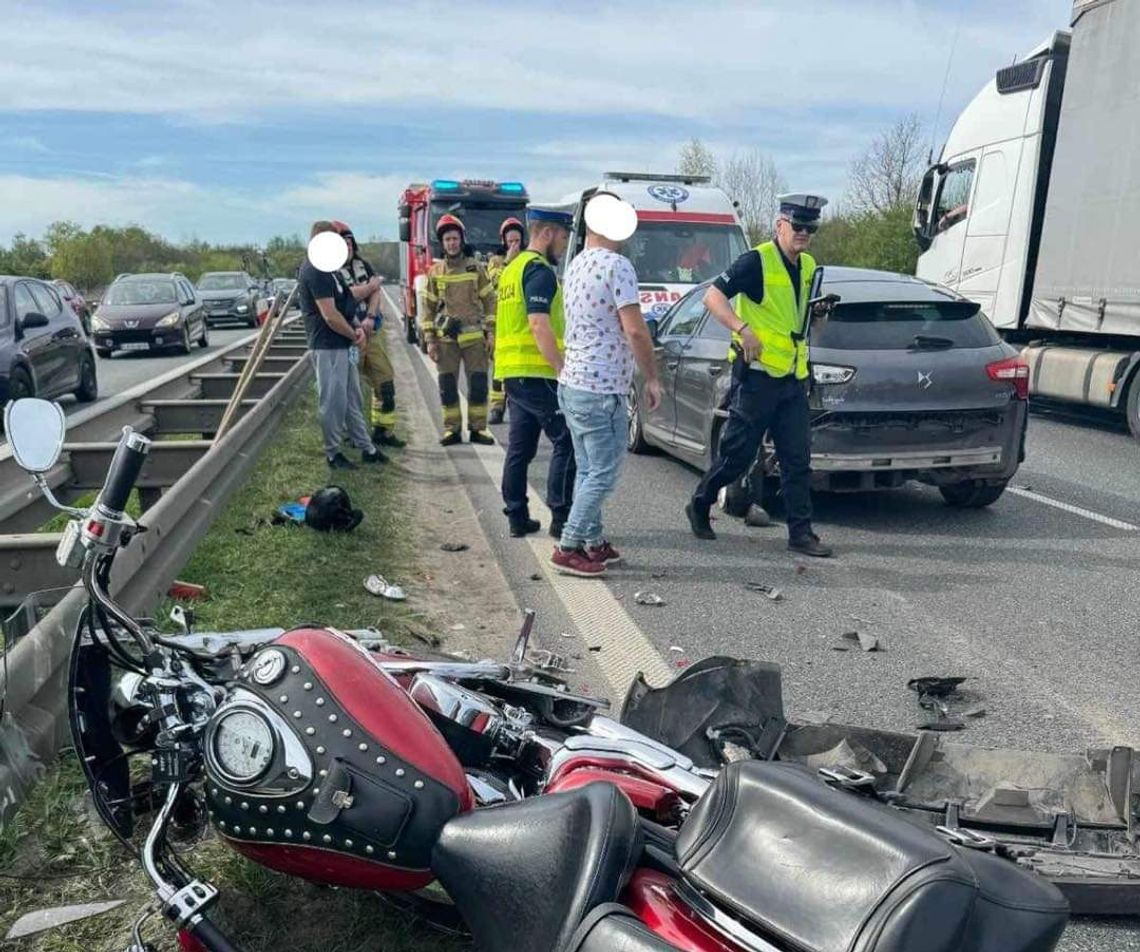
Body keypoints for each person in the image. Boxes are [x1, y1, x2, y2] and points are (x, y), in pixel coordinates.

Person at [686, 193, 833, 558]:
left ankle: (801, 533)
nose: (803, 233)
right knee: (737, 457)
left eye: (809, 228)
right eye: (797, 226)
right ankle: (700, 502)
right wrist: (742, 327)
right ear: (779, 224)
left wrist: (819, 316)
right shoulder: (756, 261)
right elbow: (713, 297)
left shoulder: (810, 265)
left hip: (793, 378)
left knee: (797, 459)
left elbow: (799, 320)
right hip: (757, 378)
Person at [552, 194, 662, 577]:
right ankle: (569, 546)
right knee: (603, 473)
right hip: (601, 388)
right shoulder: (619, 267)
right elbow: (634, 329)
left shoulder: (576, 265)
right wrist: (651, 376)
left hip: (573, 383)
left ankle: (593, 541)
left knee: (587, 468)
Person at [496, 203, 577, 538]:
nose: (564, 244)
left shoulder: (512, 269)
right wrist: (560, 368)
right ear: (547, 233)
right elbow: (537, 322)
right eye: (563, 236)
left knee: (520, 448)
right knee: (567, 440)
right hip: (538, 371)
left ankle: (517, 517)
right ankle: (561, 518)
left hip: (513, 372)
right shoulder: (539, 270)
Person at [297, 220, 385, 470]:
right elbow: (330, 315)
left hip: (343, 344)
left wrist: (357, 324)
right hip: (328, 345)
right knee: (333, 401)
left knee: (352, 398)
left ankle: (366, 447)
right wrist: (353, 333)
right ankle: (333, 453)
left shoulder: (331, 269)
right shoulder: (314, 270)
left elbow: (347, 299)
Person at [421, 215, 496, 446]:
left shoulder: (477, 268)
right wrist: (430, 340)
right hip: (446, 342)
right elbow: (427, 309)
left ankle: (477, 429)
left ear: (462, 240)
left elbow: (490, 301)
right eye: (447, 239)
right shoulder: (435, 272)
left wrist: (491, 331)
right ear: (442, 243)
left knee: (478, 386)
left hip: (475, 341)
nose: (452, 243)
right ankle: (451, 430)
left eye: (455, 238)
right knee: (447, 387)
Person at [333, 221, 405, 449]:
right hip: (347, 340)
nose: (348, 246)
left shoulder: (363, 265)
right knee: (349, 389)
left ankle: (383, 430)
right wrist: (368, 288)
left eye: (350, 241)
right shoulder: (330, 271)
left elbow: (376, 292)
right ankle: (351, 435)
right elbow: (349, 295)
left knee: (384, 381)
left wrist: (371, 317)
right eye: (342, 242)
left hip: (369, 333)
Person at [486, 217, 525, 425]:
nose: (514, 245)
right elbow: (496, 283)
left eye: (517, 241)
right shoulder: (495, 262)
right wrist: (509, 261)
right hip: (501, 323)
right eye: (510, 242)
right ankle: (496, 408)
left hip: (521, 323)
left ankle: (518, 408)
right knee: (499, 369)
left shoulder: (527, 260)